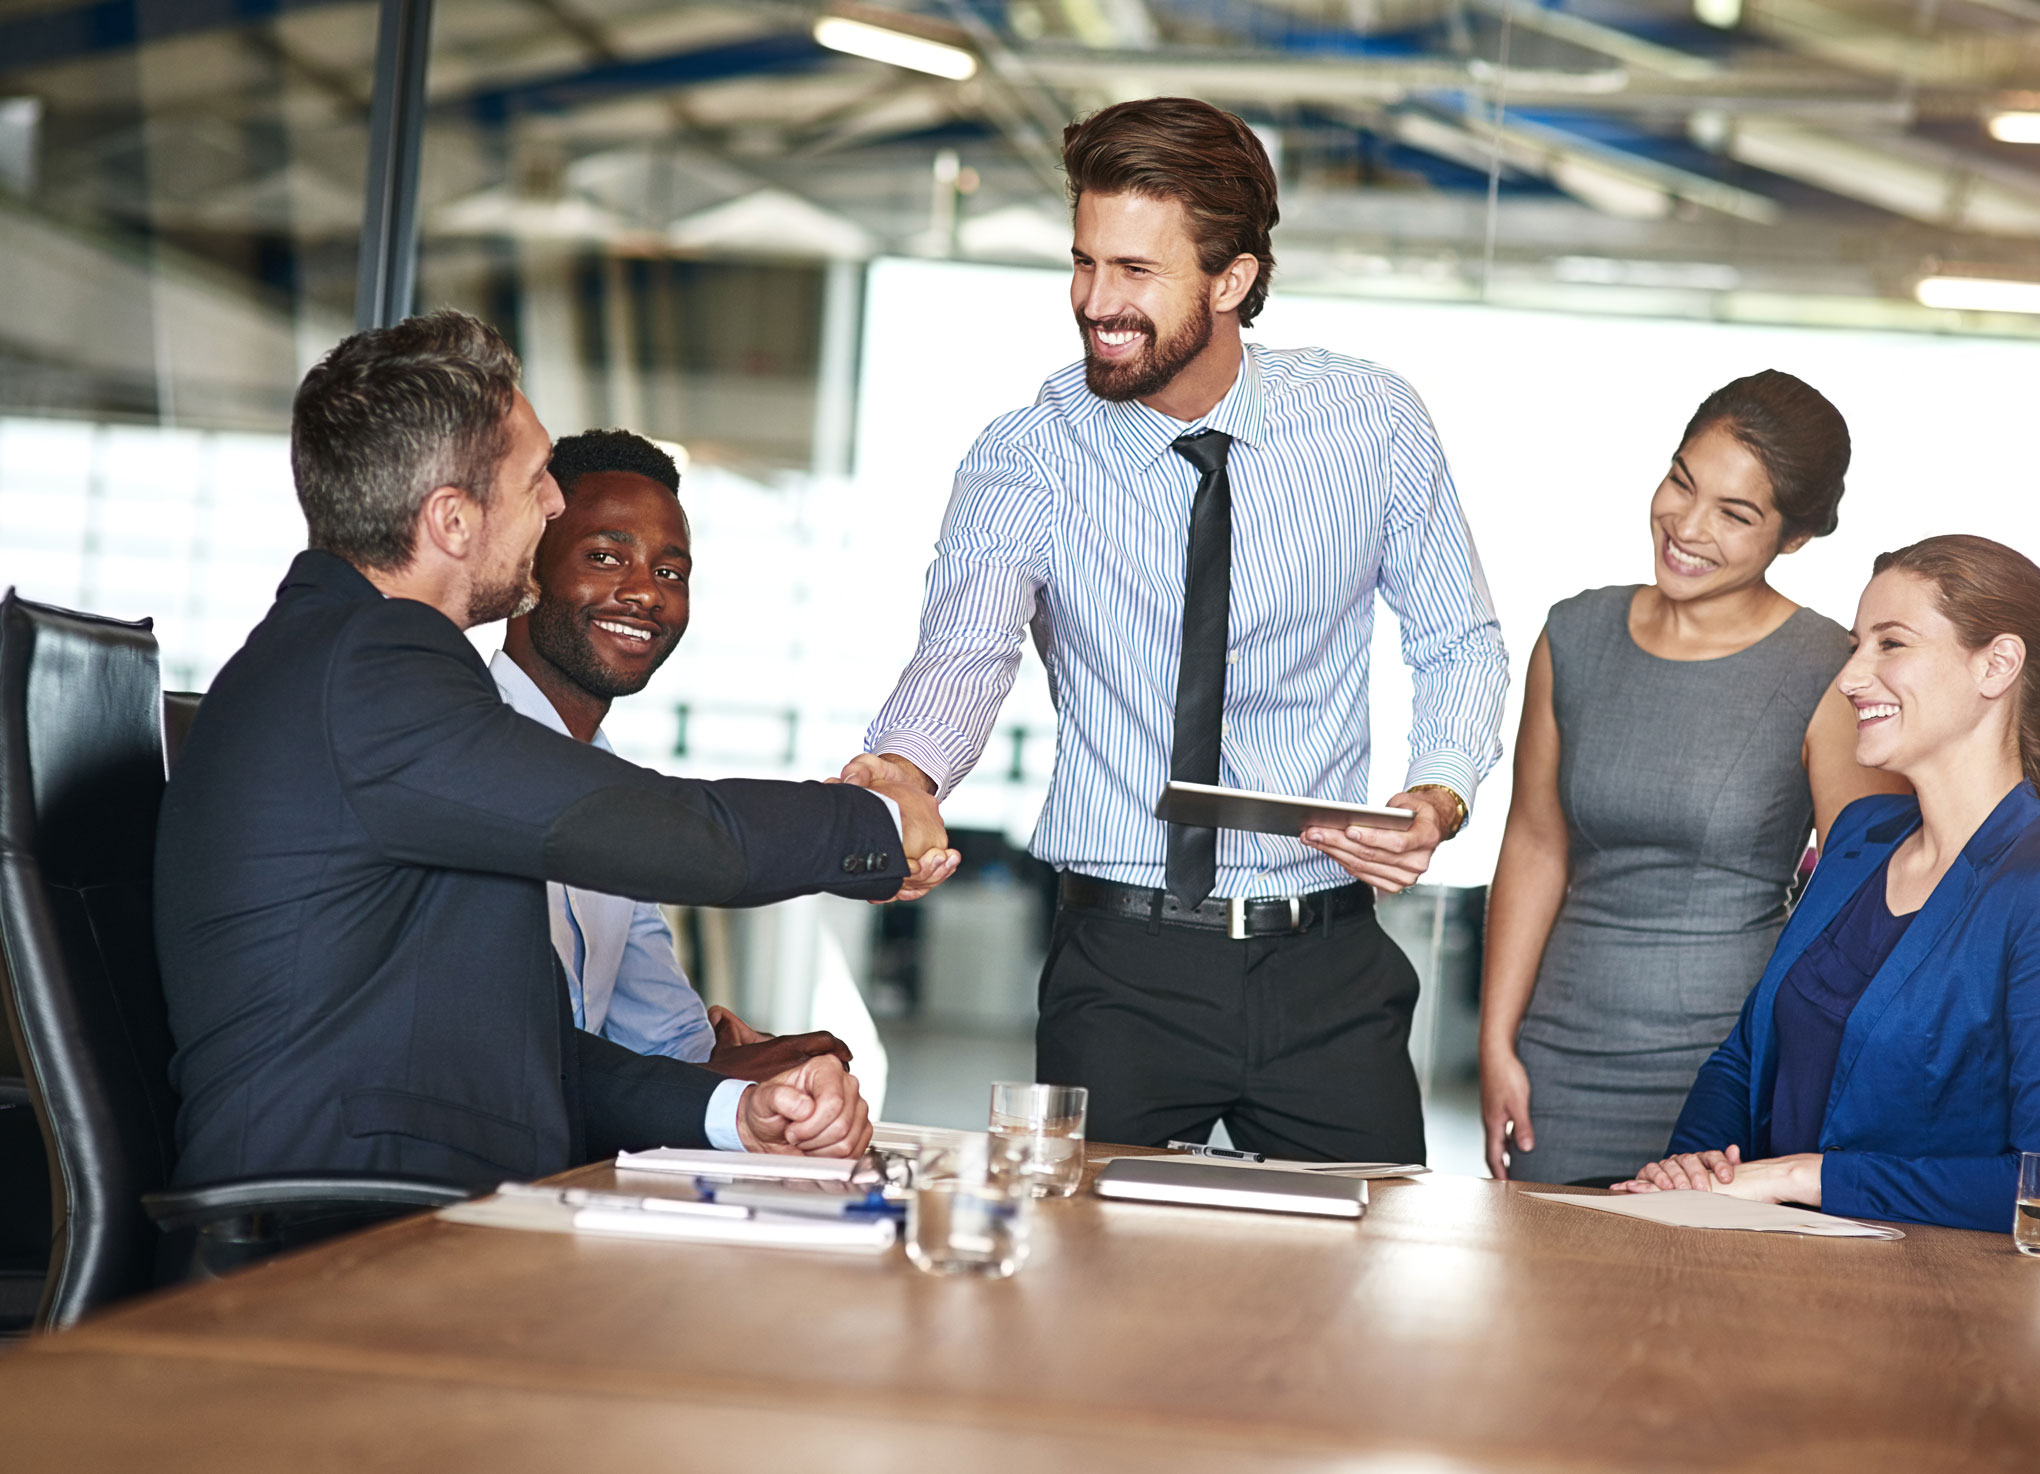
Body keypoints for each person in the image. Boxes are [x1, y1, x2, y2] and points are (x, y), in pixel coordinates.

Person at [844, 97, 1508, 1163]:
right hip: (1121, 968)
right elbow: (965, 651)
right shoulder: (1029, 453)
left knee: (1360, 1294)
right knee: (1084, 1295)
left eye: (1136, 273)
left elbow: (1458, 637)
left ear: (1232, 280)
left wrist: (1438, 791)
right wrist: (908, 769)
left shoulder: (1371, 422)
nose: (1096, 304)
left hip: (1328, 965)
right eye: (1084, 263)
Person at [155, 311, 948, 1190]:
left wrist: (733, 1112)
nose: (556, 503)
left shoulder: (345, 663)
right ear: (453, 521)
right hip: (337, 1234)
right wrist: (872, 819)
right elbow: (648, 826)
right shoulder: (372, 665)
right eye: (537, 480)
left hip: (400, 1202)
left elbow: (509, 1042)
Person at [1617, 535, 2040, 1231]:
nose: (1851, 677)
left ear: (1996, 665)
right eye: (1856, 647)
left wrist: (1799, 1177)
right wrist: (1693, 1175)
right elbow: (1745, 1057)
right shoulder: (1860, 835)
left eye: (1890, 644)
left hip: (1935, 1306)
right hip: (1763, 1264)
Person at [1479, 372, 1908, 1186]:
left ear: (1794, 539)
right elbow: (1536, 845)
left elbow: (1857, 904)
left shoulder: (1827, 669)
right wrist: (1496, 1042)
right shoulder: (1574, 634)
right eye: (1682, 481)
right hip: (1559, 1062)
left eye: (1735, 514)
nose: (1687, 524)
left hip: (1725, 1075)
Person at [492, 427, 848, 1076]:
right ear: (525, 568)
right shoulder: (464, 750)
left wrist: (786, 1065)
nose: (647, 593)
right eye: (605, 557)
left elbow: (666, 1045)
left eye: (669, 572)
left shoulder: (611, 794)